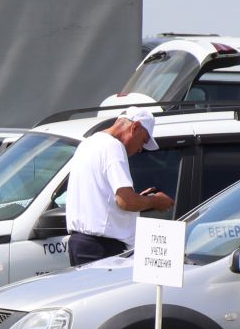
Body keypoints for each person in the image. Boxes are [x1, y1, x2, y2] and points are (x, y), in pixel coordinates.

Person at [65, 107, 174, 267]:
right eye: (143, 141)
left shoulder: (88, 143)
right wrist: (155, 201)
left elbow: (105, 199)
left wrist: (141, 200)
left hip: (81, 244)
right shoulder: (113, 147)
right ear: (135, 127)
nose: (139, 149)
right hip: (102, 249)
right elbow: (126, 201)